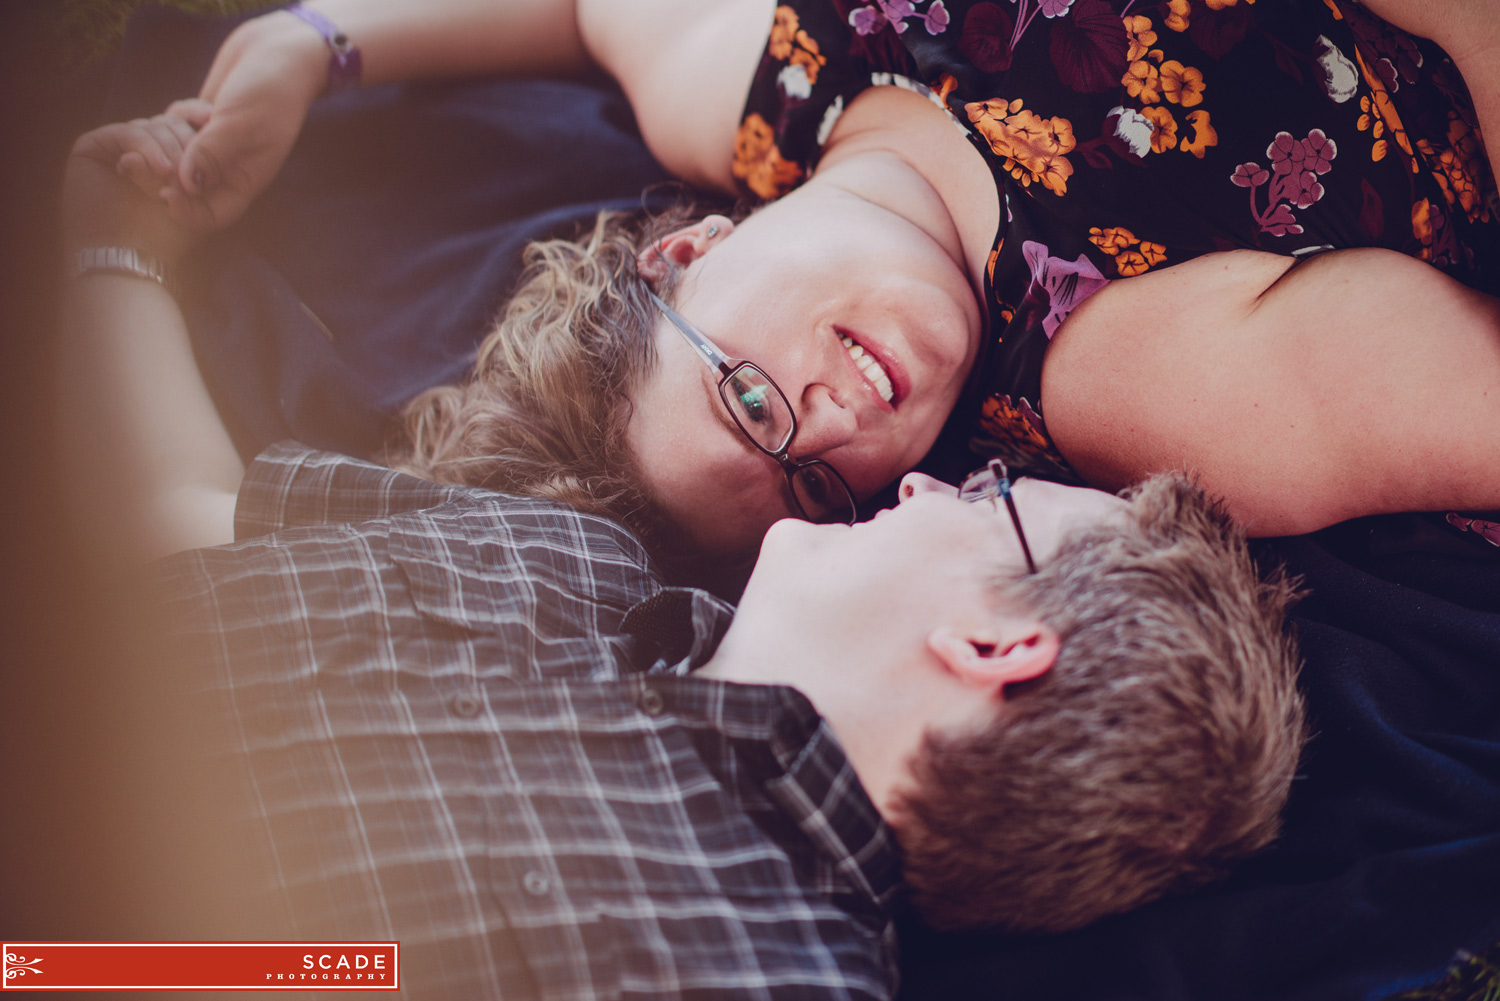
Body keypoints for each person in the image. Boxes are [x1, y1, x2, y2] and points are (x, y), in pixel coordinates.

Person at [63, 112, 1305, 997]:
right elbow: (177, 514)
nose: (924, 479)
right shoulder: (554, 560)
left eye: (988, 499)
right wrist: (109, 250)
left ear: (997, 642)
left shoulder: (772, 968)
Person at [121, 0, 1500, 557]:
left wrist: (311, 45)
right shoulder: (1132, 371)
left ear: (687, 250)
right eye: (819, 489)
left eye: (749, 403)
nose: (840, 429)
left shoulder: (746, 87)